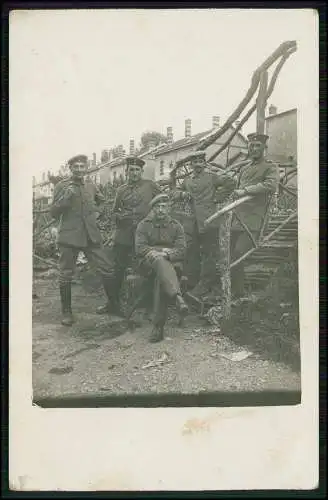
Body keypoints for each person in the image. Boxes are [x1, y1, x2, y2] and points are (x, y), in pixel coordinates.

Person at [49, 154, 116, 326]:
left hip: (90, 235)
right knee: (66, 274)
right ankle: (67, 312)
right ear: (70, 168)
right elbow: (54, 212)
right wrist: (66, 198)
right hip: (69, 237)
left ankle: (113, 304)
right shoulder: (62, 186)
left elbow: (102, 201)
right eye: (75, 167)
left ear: (86, 168)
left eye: (82, 166)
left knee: (107, 268)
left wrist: (97, 213)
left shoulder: (91, 185)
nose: (79, 169)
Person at [97, 155, 162, 316]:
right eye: (131, 170)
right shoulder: (121, 190)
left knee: (149, 266)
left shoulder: (151, 186)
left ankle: (150, 306)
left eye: (137, 170)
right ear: (127, 172)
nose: (134, 173)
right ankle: (113, 303)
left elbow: (162, 203)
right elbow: (114, 211)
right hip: (124, 233)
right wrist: (119, 218)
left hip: (145, 233)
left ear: (142, 171)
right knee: (116, 268)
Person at [172, 150, 236, 298]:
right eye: (195, 162)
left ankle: (207, 284)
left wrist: (217, 198)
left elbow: (230, 183)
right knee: (192, 251)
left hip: (209, 221)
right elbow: (174, 192)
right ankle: (193, 283)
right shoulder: (187, 181)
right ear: (191, 164)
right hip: (192, 222)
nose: (198, 165)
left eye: (200, 162)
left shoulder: (212, 177)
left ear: (205, 163)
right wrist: (181, 194)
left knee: (209, 253)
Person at [230, 133, 280, 298]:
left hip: (253, 219)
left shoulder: (270, 167)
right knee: (229, 255)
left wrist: (245, 191)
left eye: (257, 145)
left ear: (264, 148)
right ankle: (234, 291)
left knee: (238, 253)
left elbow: (270, 185)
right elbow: (235, 188)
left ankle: (239, 292)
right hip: (237, 219)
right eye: (251, 146)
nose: (253, 149)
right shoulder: (244, 168)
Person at [135, 193, 188, 343]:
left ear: (169, 208)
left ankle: (158, 327)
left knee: (161, 277)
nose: (160, 210)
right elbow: (139, 248)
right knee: (159, 263)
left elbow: (182, 250)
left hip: (172, 263)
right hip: (147, 264)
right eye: (157, 207)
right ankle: (177, 297)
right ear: (153, 209)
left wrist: (168, 254)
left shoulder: (176, 226)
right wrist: (154, 253)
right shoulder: (144, 225)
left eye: (164, 207)